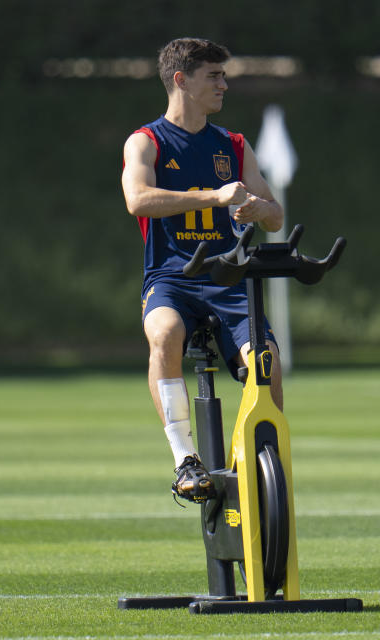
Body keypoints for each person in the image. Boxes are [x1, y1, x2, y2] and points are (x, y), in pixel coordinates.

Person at [121, 38, 284, 503]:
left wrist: (255, 208)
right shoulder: (146, 141)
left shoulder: (232, 144)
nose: (224, 85)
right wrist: (213, 196)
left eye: (223, 75)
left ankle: (252, 461)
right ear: (181, 80)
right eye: (213, 76)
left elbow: (276, 215)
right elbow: (138, 199)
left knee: (267, 365)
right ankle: (185, 459)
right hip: (170, 279)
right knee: (166, 332)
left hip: (228, 281)